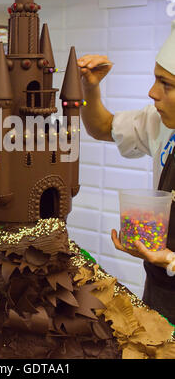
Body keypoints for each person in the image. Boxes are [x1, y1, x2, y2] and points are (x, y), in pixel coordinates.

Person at [77, 20, 175, 323]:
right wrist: (89, 87)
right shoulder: (161, 123)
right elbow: (102, 127)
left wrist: (171, 258)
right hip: (160, 288)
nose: (152, 93)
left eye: (166, 84)